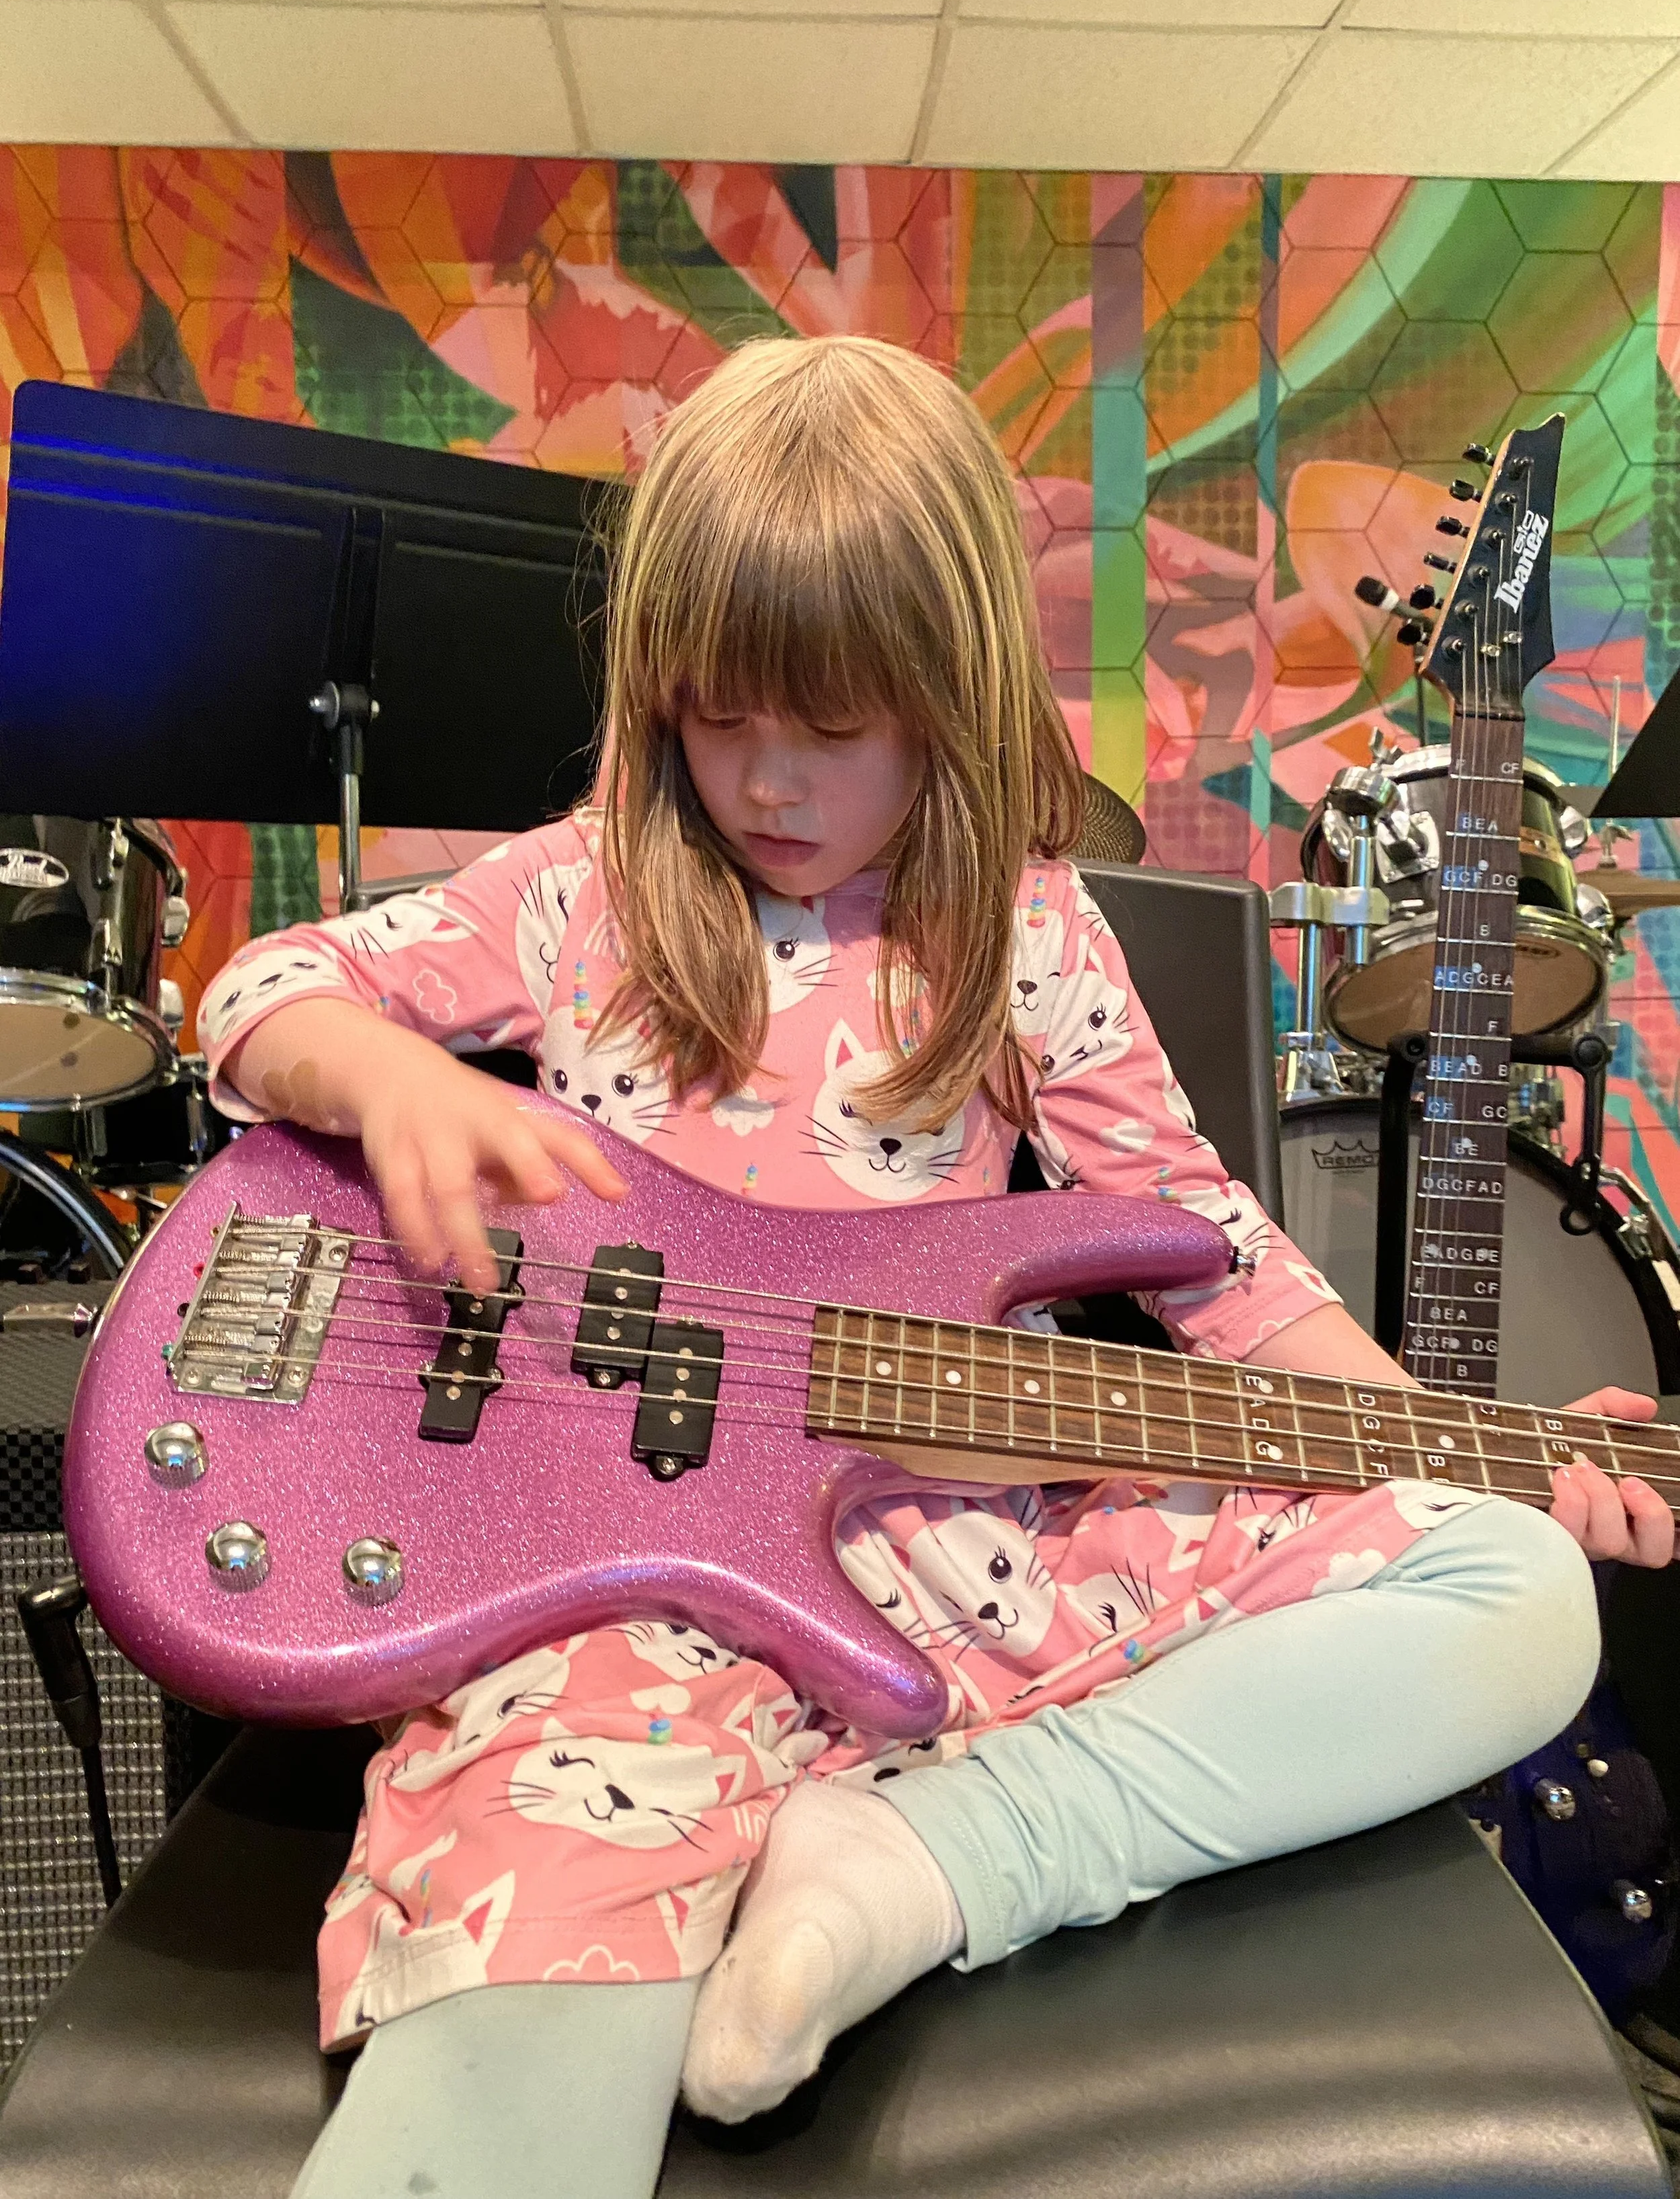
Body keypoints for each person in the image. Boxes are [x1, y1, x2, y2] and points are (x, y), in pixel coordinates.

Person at [196, 335, 1668, 2199]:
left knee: (1518, 1591)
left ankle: (940, 1855)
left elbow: (1219, 1263)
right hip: (615, 1601)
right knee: (498, 2066)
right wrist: (388, 1073)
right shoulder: (584, 892)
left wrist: (1467, 1443)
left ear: (954, 697)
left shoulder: (1023, 929)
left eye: (836, 724)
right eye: (722, 712)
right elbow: (259, 990)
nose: (766, 776)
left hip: (953, 1559)